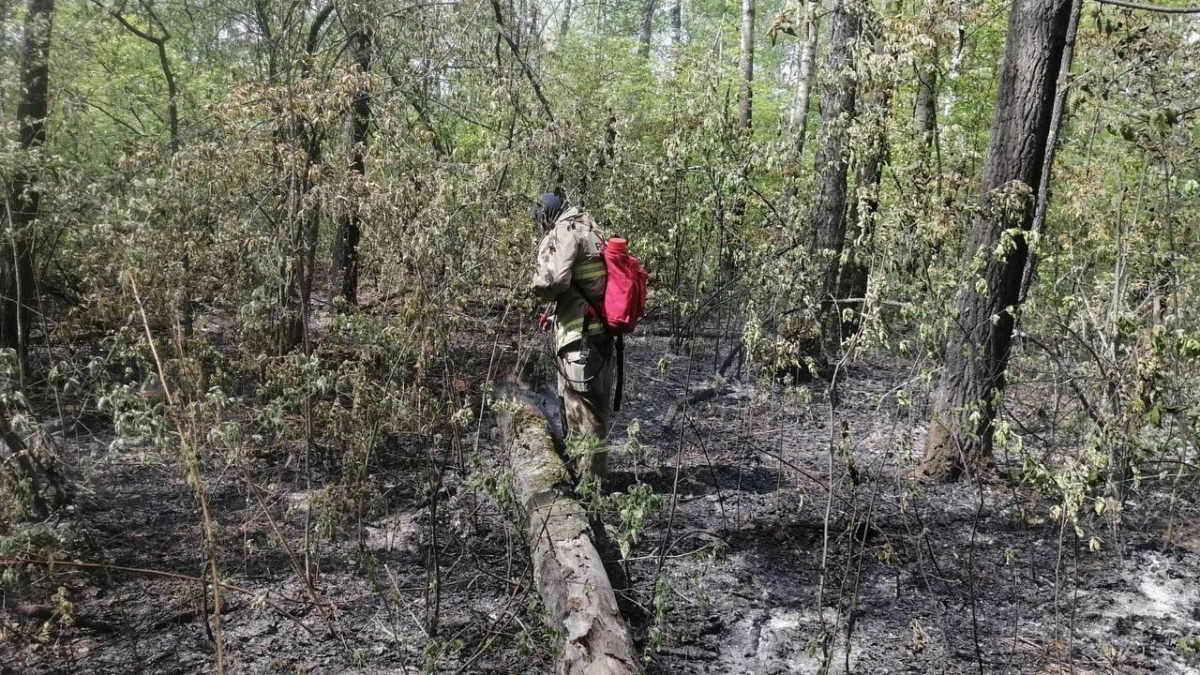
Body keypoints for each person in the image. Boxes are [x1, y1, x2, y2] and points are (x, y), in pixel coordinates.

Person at [530, 192, 615, 481]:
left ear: (546, 215)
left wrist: (537, 286)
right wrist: (557, 315)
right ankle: (589, 476)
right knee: (594, 409)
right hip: (600, 333)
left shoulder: (564, 231)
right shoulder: (592, 227)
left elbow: (555, 280)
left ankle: (591, 488)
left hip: (580, 339)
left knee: (584, 410)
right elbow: (589, 283)